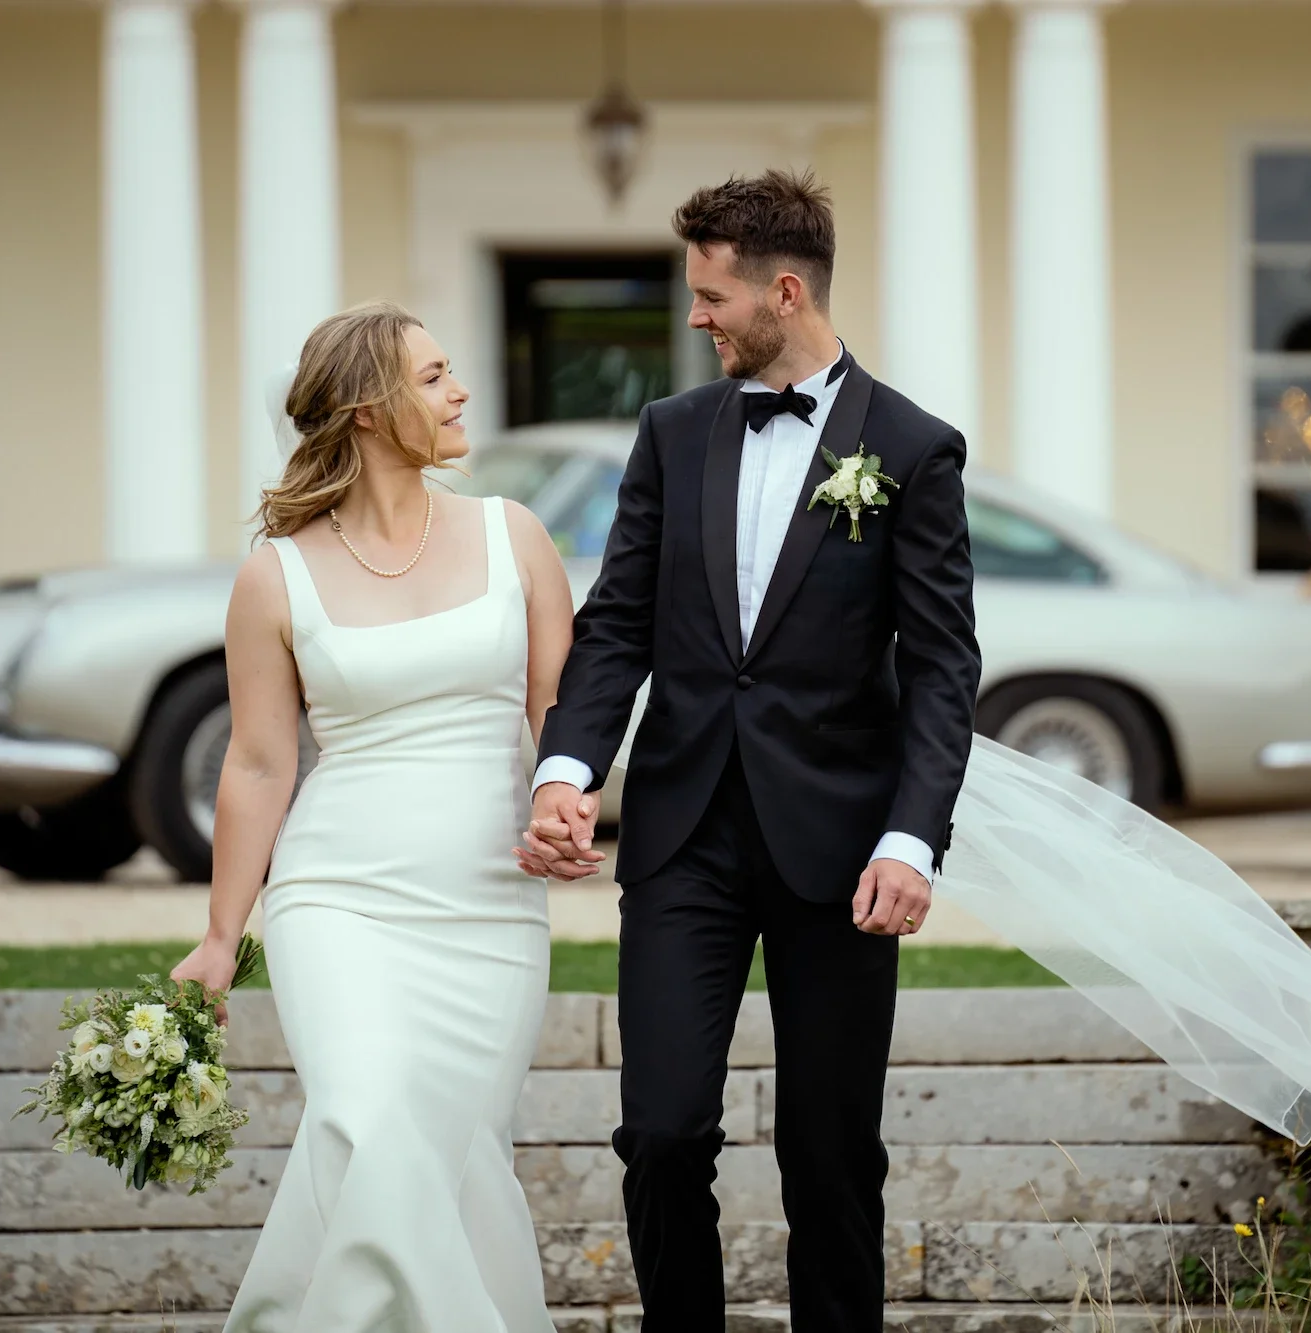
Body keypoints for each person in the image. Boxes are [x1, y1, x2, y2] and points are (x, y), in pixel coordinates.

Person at [517, 168, 983, 1333]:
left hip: (841, 852)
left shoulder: (914, 450)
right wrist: (567, 770)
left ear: (783, 289)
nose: (694, 319)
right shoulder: (671, 434)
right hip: (682, 838)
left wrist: (909, 839)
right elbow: (618, 621)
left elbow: (939, 669)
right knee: (661, 1131)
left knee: (830, 1155)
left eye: (709, 296)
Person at [171, 301, 574, 1333]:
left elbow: (560, 724)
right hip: (335, 901)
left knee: (453, 1148)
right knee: (369, 1113)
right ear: (364, 408)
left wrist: (565, 808)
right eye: (434, 375)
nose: (459, 392)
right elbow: (259, 764)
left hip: (488, 907)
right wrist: (221, 937)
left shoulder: (513, 536)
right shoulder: (275, 577)